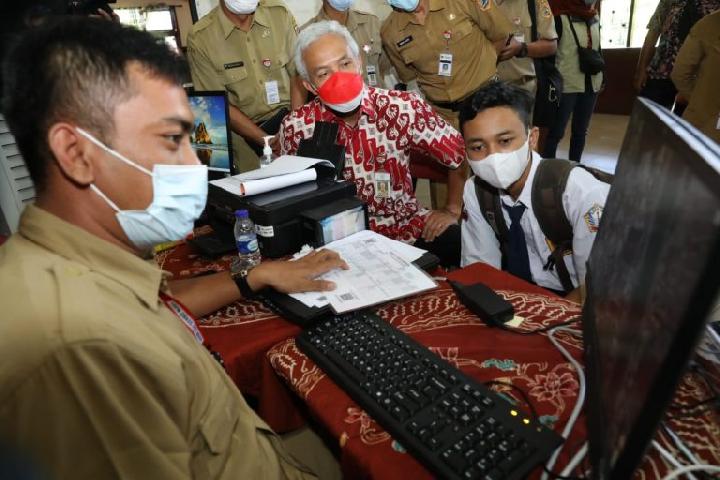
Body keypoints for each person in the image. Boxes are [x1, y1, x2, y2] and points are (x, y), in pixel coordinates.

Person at [0, 16, 348, 478]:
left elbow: (156, 307)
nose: (193, 164)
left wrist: (253, 275)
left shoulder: (79, 266)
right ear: (76, 153)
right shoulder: (79, 350)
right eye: (171, 140)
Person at [279, 21, 467, 267]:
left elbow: (457, 153)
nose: (339, 78)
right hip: (336, 244)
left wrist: (452, 209)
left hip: (405, 230)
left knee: (460, 243)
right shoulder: (297, 127)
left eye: (345, 63)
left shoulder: (403, 107)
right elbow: (288, 198)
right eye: (324, 73)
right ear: (309, 86)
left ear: (358, 62)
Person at [459, 82, 609, 301]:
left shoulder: (577, 191)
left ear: (532, 138)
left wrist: (543, 323)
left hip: (576, 299)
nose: (493, 157)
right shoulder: (477, 190)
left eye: (505, 141)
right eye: (478, 147)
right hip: (519, 293)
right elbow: (481, 271)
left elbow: (597, 287)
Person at [186, 0, 301, 172]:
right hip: (244, 139)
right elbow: (216, 106)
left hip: (290, 120)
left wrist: (295, 125)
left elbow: (299, 73)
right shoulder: (202, 38)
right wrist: (266, 140)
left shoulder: (279, 15)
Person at [380, 0, 514, 129]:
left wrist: (485, 66)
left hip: (486, 104)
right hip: (441, 119)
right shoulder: (390, 32)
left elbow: (500, 35)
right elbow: (409, 77)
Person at [293, 0, 390, 109]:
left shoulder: (371, 22)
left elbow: (381, 68)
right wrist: (298, 120)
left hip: (377, 107)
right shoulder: (307, 35)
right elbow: (300, 85)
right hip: (334, 111)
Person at [541, 0, 603, 162]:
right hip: (567, 85)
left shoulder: (594, 18)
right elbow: (549, 55)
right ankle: (549, 170)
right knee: (555, 132)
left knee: (580, 132)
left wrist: (603, 76)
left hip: (591, 84)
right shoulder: (560, 19)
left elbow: (598, 49)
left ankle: (576, 167)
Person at [634, 0, 720, 114]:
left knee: (684, 127)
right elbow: (652, 33)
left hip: (694, 79)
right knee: (647, 122)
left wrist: (688, 90)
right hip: (660, 71)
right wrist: (640, 70)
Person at [671, 9, 720, 144]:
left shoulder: (708, 25)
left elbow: (680, 73)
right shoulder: (709, 25)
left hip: (705, 125)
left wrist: (700, 100)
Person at [495, 0, 558, 98]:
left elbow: (551, 45)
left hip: (521, 89)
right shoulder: (479, 3)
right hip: (485, 88)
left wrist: (521, 49)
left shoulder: (538, 2)